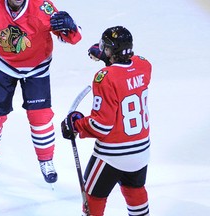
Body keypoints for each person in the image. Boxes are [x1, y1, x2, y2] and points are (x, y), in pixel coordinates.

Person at [0, 0, 82, 184]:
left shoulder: (42, 7)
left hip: (37, 69)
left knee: (40, 118)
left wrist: (69, 26)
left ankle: (46, 159)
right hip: (2, 66)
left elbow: (73, 37)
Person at [61, 26, 152, 215]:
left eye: (106, 48)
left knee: (93, 198)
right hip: (141, 151)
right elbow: (126, 72)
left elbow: (101, 125)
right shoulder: (144, 66)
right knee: (135, 191)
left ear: (111, 50)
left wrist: (76, 124)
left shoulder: (105, 79)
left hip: (113, 155)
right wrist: (108, 58)